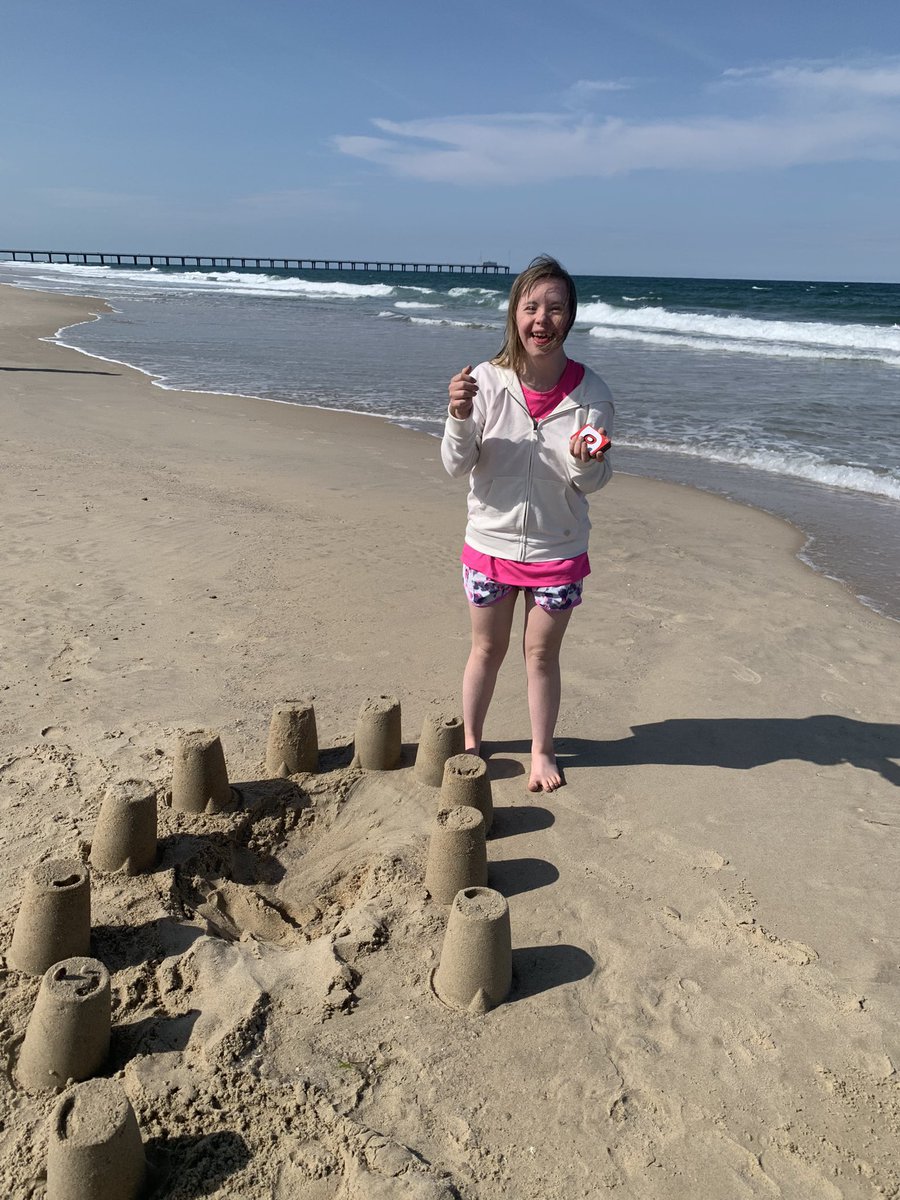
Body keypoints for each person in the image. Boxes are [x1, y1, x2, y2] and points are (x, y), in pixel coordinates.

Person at [441, 255, 615, 792]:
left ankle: (543, 750)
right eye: (532, 306)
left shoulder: (592, 393)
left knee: (541, 654)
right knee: (486, 651)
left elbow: (591, 482)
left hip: (556, 548)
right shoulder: (484, 381)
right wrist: (459, 416)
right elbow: (455, 464)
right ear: (514, 313)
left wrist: (586, 459)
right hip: (489, 543)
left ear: (571, 317)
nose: (543, 320)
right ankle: (472, 743)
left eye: (556, 308)